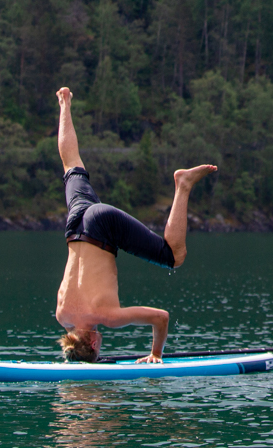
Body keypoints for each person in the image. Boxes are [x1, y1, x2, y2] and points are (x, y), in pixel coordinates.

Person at [52, 85, 218, 363]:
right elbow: (75, 334)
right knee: (71, 166)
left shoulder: (108, 317)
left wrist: (155, 354)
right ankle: (65, 103)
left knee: (173, 257)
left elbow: (161, 318)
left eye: (98, 345)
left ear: (93, 342)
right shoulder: (62, 314)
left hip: (103, 226)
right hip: (75, 225)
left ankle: (183, 184)